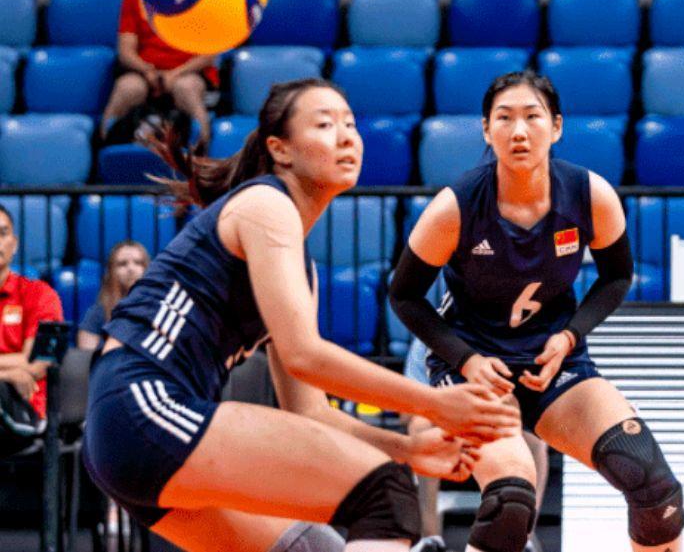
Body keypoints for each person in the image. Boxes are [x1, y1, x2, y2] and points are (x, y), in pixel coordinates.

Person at [82, 78, 521, 552]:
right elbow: (305, 356)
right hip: (142, 406)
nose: (347, 136)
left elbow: (310, 412)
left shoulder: (298, 264)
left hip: (134, 433)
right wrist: (433, 404)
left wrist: (407, 449)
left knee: (312, 546)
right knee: (386, 497)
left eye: (350, 124)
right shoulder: (266, 205)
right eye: (325, 124)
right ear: (281, 149)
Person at [390, 71, 684, 552]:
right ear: (486, 130)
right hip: (475, 370)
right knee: (511, 501)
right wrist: (467, 360)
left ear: (557, 126)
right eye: (504, 118)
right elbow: (405, 296)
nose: (519, 131)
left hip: (552, 366)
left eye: (532, 116)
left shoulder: (589, 195)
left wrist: (570, 336)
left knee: (655, 488)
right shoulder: (456, 207)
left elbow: (616, 277)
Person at [403, 338, 549, 552]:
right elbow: (407, 411)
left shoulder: (515, 338)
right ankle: (430, 539)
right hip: (447, 418)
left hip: (499, 417)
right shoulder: (426, 339)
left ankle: (524, 537)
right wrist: (445, 408)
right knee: (420, 427)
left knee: (535, 439)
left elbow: (535, 402)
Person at [100, 0, 218, 145]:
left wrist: (175, 74)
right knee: (127, 88)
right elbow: (126, 50)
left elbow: (208, 55)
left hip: (188, 73)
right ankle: (105, 147)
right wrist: (147, 71)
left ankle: (202, 150)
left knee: (186, 88)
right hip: (145, 72)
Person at [0, 204, 64, 420]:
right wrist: (7, 374)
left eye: (3, 233)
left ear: (15, 244)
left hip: (23, 405)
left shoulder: (40, 294)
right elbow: (23, 361)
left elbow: (37, 363)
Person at [78, 240, 151, 350]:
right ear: (111, 271)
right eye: (122, 264)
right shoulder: (98, 312)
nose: (131, 269)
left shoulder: (160, 307)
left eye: (138, 263)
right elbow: (86, 354)